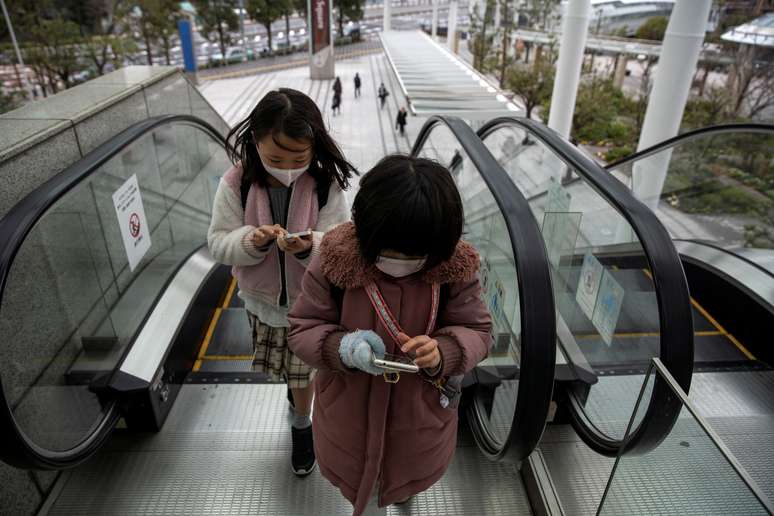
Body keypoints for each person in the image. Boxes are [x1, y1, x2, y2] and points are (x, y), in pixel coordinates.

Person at [288, 155, 492, 515]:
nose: (399, 262)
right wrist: (343, 349)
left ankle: (403, 497)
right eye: (388, 253)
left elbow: (478, 330)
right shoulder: (335, 260)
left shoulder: (455, 269)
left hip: (419, 423)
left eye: (413, 256)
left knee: (406, 485)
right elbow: (304, 327)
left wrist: (445, 351)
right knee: (362, 493)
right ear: (366, 228)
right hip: (348, 421)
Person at [207, 88, 355, 478]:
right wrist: (251, 241)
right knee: (294, 373)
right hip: (263, 304)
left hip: (312, 304)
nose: (286, 167)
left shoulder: (324, 186)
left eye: (298, 158)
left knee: (303, 372)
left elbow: (340, 243)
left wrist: (310, 247)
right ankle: (299, 408)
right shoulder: (237, 183)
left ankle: (302, 425)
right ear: (254, 142)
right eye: (275, 158)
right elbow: (218, 242)